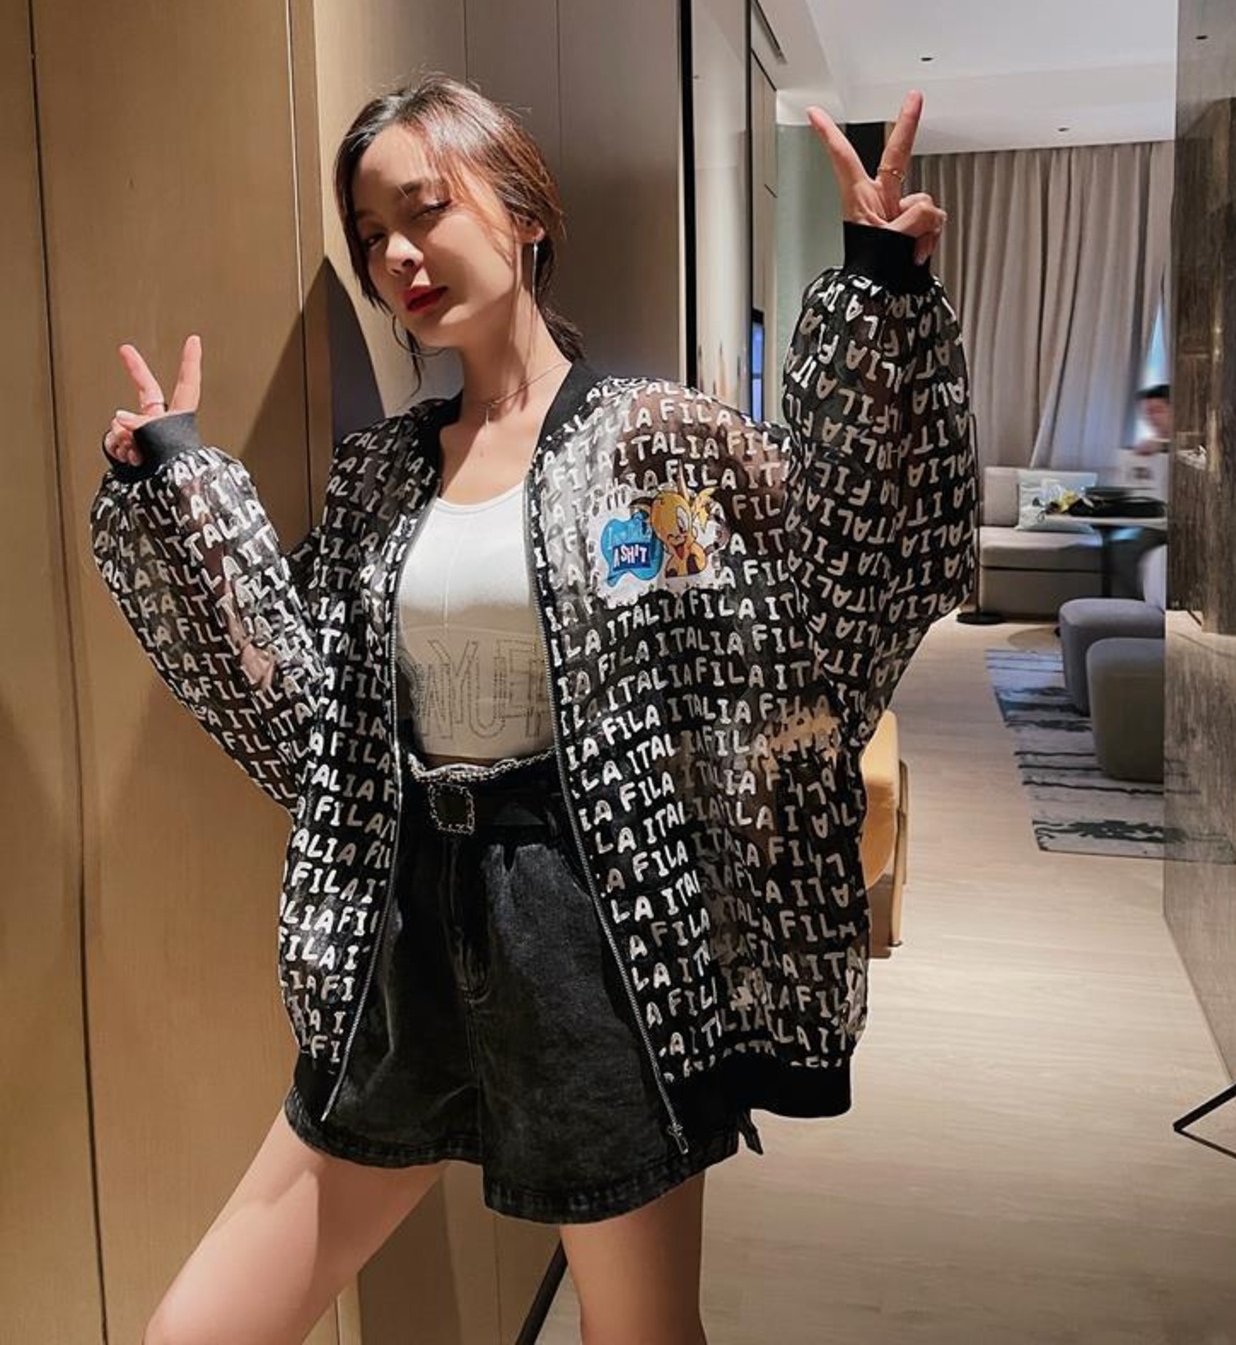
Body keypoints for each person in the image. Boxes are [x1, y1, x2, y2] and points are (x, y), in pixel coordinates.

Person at [94, 74, 974, 1345]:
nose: (398, 256)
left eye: (425, 209)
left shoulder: (653, 444)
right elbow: (300, 705)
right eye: (370, 236)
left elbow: (834, 583)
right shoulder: (382, 474)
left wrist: (879, 304)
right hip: (403, 921)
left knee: (638, 1331)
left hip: (591, 924)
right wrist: (182, 496)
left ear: (521, 210)